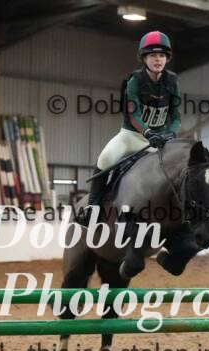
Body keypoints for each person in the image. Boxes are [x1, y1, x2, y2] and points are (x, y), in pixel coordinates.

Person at [78, 31, 181, 226]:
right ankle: (93, 207)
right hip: (132, 136)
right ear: (144, 58)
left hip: (159, 140)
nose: (157, 59)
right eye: (152, 55)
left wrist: (171, 133)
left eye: (161, 55)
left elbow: (176, 117)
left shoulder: (172, 81)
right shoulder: (135, 81)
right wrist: (148, 132)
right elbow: (133, 115)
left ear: (167, 58)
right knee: (105, 158)